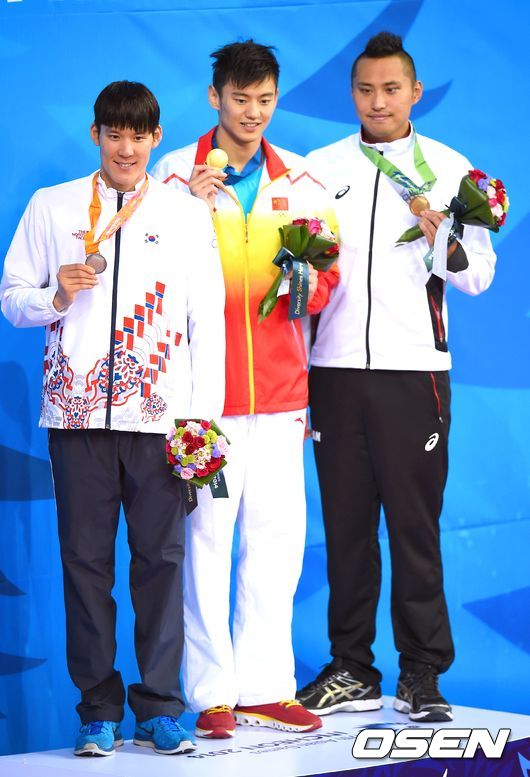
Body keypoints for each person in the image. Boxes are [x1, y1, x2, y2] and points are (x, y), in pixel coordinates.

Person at [0, 80, 225, 756]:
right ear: (95, 134)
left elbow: (206, 322)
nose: (126, 148)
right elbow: (12, 298)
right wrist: (54, 296)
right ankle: (97, 709)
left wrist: (201, 423)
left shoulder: (185, 214)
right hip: (76, 420)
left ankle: (159, 707)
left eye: (138, 135)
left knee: (162, 562)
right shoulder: (53, 206)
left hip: (160, 422)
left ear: (156, 138)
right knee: (84, 564)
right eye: (114, 134)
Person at [296, 32, 496, 723]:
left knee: (414, 527)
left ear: (414, 92)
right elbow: (302, 270)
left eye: (390, 89)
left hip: (415, 373)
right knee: (346, 527)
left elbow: (478, 275)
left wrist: (443, 237)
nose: (377, 101)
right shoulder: (320, 169)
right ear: (351, 94)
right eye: (365, 89)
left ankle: (421, 672)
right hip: (334, 372)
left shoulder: (450, 169)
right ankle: (351, 666)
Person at [152, 40, 339, 739]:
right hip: (205, 400)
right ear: (215, 97)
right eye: (240, 99)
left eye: (264, 100)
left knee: (276, 543)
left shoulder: (304, 181)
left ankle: (265, 686)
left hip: (284, 396)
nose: (253, 113)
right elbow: (150, 273)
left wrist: (306, 282)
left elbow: (326, 279)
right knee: (206, 543)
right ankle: (210, 694)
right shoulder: (174, 175)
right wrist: (187, 209)